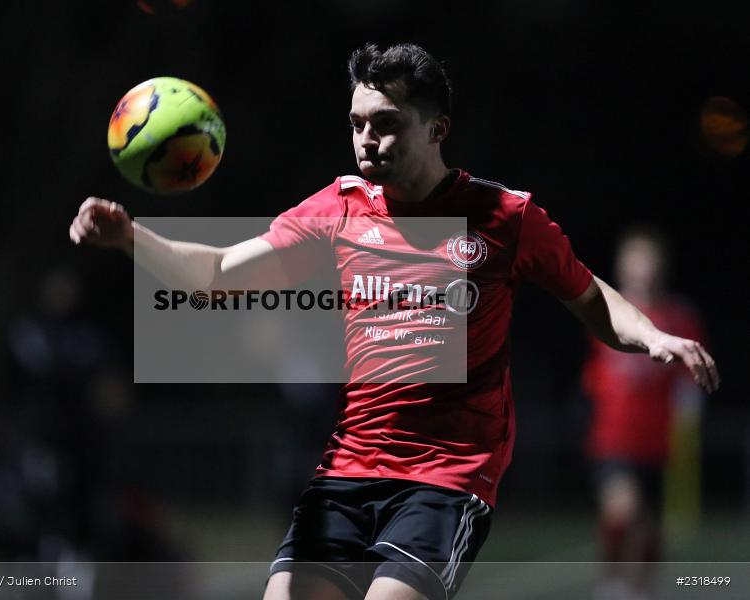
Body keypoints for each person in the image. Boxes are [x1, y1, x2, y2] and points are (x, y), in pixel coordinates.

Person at [69, 43, 719, 600]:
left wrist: (653, 336)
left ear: (436, 129)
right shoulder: (338, 210)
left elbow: (590, 297)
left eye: (385, 123)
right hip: (348, 469)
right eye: (356, 124)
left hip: (447, 475)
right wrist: (133, 238)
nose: (366, 139)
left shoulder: (503, 217)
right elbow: (215, 275)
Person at [582, 227, 708, 600]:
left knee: (647, 531)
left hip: (657, 442)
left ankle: (640, 588)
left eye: (648, 261)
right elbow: (595, 376)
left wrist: (688, 422)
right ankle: (612, 583)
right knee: (623, 509)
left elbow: (689, 383)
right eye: (634, 261)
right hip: (612, 439)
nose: (642, 270)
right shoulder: (607, 314)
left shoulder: (678, 317)